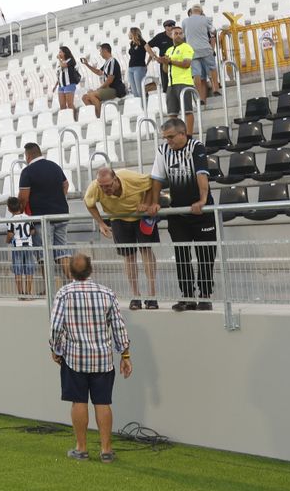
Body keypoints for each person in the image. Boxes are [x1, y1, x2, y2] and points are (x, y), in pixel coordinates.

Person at [49, 253, 132, 463]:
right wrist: (125, 354)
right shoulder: (107, 293)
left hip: (74, 358)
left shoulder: (64, 294)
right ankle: (106, 450)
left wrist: (56, 350)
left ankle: (82, 448)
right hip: (103, 359)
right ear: (91, 270)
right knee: (103, 402)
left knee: (79, 402)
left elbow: (56, 328)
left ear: (70, 271)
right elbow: (119, 326)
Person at [143, 117, 216, 312]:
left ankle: (205, 295)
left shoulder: (196, 147)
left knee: (205, 255)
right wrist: (154, 202)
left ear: (183, 134)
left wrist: (202, 200)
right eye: (165, 137)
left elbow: (202, 174)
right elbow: (156, 179)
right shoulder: (163, 150)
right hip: (178, 212)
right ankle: (187, 296)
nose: (168, 141)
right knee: (181, 256)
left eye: (171, 137)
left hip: (201, 213)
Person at [84, 165, 158, 310]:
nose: (105, 189)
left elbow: (152, 183)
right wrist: (100, 223)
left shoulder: (130, 177)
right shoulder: (95, 187)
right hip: (118, 218)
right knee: (128, 257)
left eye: (108, 185)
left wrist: (146, 203)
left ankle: (152, 295)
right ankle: (135, 296)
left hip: (139, 215)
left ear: (116, 180)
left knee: (146, 252)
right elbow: (89, 203)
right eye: (102, 186)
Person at [17, 142, 72, 280]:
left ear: (27, 155)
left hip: (41, 218)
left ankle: (49, 290)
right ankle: (74, 283)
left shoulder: (27, 171)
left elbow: (23, 198)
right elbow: (65, 184)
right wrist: (58, 198)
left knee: (44, 255)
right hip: (61, 214)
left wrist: (19, 212)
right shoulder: (54, 166)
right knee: (62, 252)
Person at [152, 25, 198, 135]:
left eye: (180, 33)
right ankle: (175, 134)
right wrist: (164, 62)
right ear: (171, 35)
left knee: (187, 111)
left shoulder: (186, 47)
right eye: (175, 33)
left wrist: (171, 61)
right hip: (171, 84)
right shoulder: (169, 50)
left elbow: (186, 64)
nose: (178, 35)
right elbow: (166, 70)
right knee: (172, 113)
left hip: (184, 82)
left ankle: (189, 135)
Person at [183, 5, 221, 102]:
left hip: (192, 50)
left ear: (191, 11)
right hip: (205, 48)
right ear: (201, 11)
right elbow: (213, 31)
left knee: (196, 73)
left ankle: (200, 96)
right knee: (212, 67)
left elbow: (184, 35)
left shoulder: (185, 21)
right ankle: (216, 88)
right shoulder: (205, 19)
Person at [5, 197, 39, 300]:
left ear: (9, 209)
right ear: (20, 206)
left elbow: (10, 234)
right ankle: (28, 293)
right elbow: (33, 231)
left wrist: (7, 240)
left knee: (18, 270)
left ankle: (21, 294)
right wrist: (27, 235)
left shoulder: (11, 220)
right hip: (28, 245)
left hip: (17, 246)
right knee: (29, 269)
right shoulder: (28, 217)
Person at [80, 43, 124, 114]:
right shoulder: (107, 62)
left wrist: (99, 89)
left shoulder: (112, 61)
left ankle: (99, 118)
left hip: (114, 89)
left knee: (92, 94)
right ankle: (95, 115)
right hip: (108, 89)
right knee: (85, 97)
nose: (100, 54)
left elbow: (110, 80)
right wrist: (87, 64)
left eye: (100, 51)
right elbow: (98, 72)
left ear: (105, 50)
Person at [54, 45, 81, 119]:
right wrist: (55, 85)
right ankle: (66, 119)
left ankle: (75, 117)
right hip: (61, 86)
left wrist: (59, 59)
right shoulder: (59, 64)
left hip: (69, 84)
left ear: (65, 53)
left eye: (60, 52)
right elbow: (59, 75)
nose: (59, 53)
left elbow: (63, 65)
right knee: (62, 105)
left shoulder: (70, 60)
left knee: (69, 104)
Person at [125, 28, 149, 109]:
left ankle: (145, 107)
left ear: (133, 33)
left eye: (129, 32)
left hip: (139, 67)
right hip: (131, 68)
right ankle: (140, 108)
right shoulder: (131, 43)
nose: (128, 34)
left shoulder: (142, 42)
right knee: (134, 91)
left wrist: (147, 64)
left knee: (140, 90)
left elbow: (151, 52)